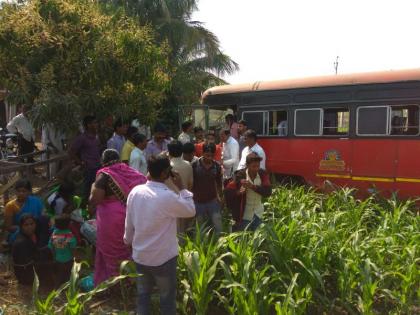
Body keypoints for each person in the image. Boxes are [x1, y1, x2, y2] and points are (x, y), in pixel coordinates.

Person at [124, 155, 196, 315]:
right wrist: (182, 187)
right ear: (165, 174)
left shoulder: (135, 192)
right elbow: (190, 210)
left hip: (141, 256)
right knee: (167, 299)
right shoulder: (167, 197)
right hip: (163, 258)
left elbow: (129, 223)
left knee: (143, 296)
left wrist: (128, 240)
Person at [89, 149, 147, 286]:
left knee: (112, 250)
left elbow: (95, 199)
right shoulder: (131, 172)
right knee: (128, 248)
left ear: (103, 162)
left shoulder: (104, 175)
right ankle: (130, 279)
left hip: (112, 219)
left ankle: (114, 282)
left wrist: (92, 187)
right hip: (133, 216)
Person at [225, 153, 272, 231]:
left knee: (257, 240)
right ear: (247, 165)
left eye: (258, 166)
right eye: (253, 166)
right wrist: (238, 193)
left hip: (258, 213)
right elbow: (228, 192)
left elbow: (268, 192)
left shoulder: (262, 174)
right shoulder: (240, 176)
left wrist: (252, 186)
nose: (256, 169)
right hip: (244, 215)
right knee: (243, 239)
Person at [4, 179, 49, 246]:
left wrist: (33, 227)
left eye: (24, 191)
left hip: (36, 228)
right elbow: (9, 227)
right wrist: (25, 228)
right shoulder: (10, 206)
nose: (21, 193)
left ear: (29, 192)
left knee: (44, 220)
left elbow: (43, 215)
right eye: (18, 191)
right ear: (15, 191)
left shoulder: (35, 201)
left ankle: (41, 247)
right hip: (19, 231)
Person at [191, 143, 223, 235]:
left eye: (211, 156)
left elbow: (219, 183)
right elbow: (191, 183)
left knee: (218, 225)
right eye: (207, 155)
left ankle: (219, 244)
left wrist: (220, 197)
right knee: (200, 227)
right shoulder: (194, 166)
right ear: (202, 153)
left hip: (212, 200)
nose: (209, 158)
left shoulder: (216, 166)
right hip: (198, 201)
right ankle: (202, 246)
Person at [12, 214, 51, 285]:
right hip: (26, 276)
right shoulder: (22, 242)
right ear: (21, 227)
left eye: (32, 224)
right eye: (26, 225)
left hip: (30, 266)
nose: (30, 227)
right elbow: (29, 263)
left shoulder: (32, 235)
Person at [69, 115, 101, 203]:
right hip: (88, 169)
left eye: (96, 122)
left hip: (97, 167)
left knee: (96, 190)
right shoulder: (82, 138)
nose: (97, 124)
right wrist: (80, 163)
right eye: (94, 123)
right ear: (88, 125)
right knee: (86, 192)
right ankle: (83, 212)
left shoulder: (96, 137)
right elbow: (71, 152)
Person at [48, 214, 77, 286]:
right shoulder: (69, 235)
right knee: (68, 273)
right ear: (68, 224)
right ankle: (68, 286)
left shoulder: (54, 234)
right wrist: (74, 257)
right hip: (68, 259)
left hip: (58, 258)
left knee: (59, 274)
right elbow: (72, 247)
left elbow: (51, 246)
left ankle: (57, 287)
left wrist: (54, 256)